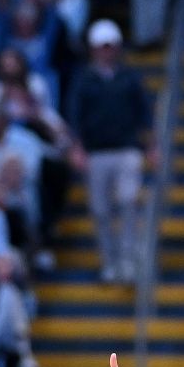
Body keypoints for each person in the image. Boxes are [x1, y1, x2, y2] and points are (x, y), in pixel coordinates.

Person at [65, 20, 153, 282]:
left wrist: (152, 146)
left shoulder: (130, 78)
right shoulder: (84, 80)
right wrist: (76, 148)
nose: (106, 52)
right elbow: (74, 117)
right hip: (96, 153)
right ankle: (109, 261)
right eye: (101, 47)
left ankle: (128, 260)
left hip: (127, 150)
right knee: (101, 210)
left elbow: (146, 114)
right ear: (93, 49)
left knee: (128, 202)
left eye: (110, 47)